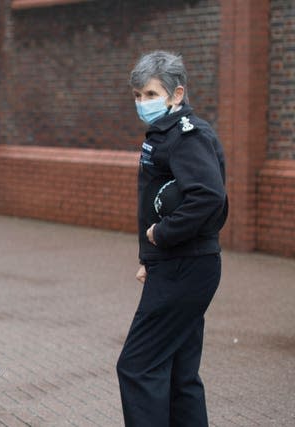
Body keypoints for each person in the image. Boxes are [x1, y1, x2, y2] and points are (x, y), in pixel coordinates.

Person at [116, 51, 228, 427]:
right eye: (137, 95)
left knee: (137, 366)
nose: (142, 103)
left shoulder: (186, 135)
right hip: (179, 266)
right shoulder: (167, 134)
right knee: (180, 374)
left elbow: (209, 196)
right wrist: (152, 258)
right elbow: (163, 198)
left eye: (150, 94)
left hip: (185, 266)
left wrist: (162, 237)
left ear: (176, 95)